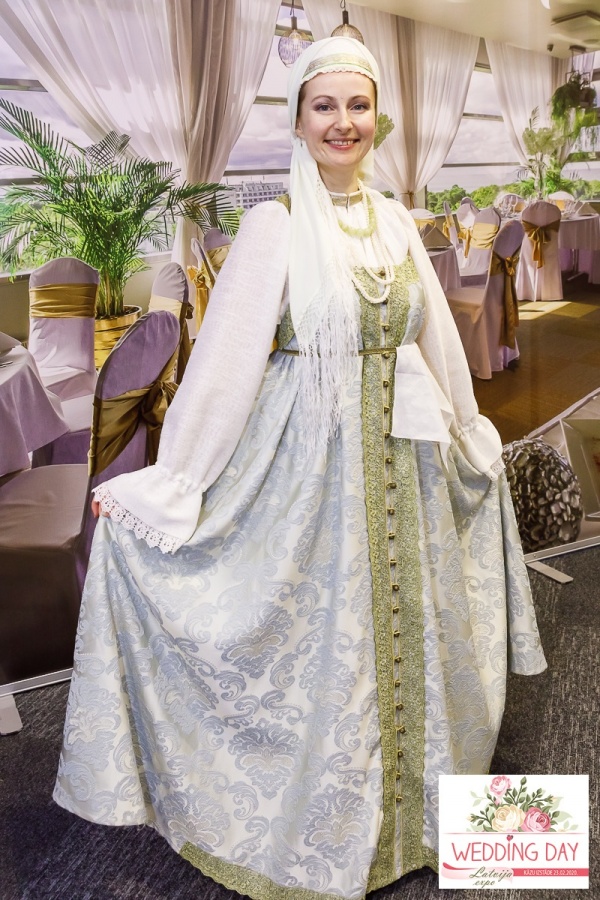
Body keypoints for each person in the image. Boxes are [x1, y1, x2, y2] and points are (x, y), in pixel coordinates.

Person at [54, 36, 546, 900]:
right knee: (323, 648)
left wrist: (470, 434)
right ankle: (331, 815)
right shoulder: (274, 225)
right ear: (299, 120)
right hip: (308, 471)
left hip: (408, 461)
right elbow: (223, 369)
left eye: (358, 105)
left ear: (378, 118)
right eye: (325, 106)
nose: (342, 122)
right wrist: (171, 486)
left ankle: (424, 813)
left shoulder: (394, 219)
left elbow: (434, 343)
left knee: (411, 630)